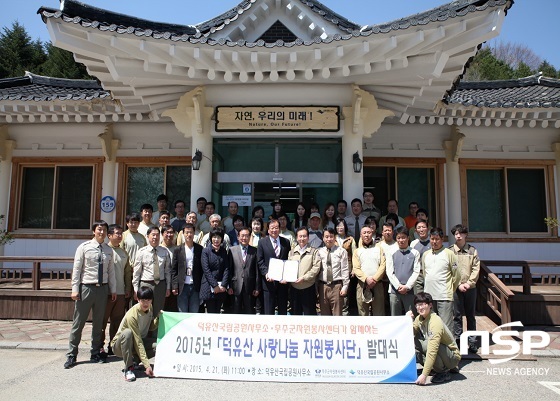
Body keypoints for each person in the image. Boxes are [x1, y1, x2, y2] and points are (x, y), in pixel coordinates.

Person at [64, 220, 116, 369]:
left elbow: (110, 272)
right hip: (86, 288)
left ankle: (94, 353)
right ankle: (72, 354)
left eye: (104, 230)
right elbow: (77, 269)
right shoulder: (84, 247)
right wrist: (75, 289)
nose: (102, 232)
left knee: (98, 324)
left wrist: (113, 289)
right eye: (99, 229)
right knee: (78, 323)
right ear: (94, 231)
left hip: (102, 289)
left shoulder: (108, 250)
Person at [408, 292, 461, 385]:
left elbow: (433, 349)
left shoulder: (435, 321)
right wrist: (407, 320)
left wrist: (424, 375)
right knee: (415, 341)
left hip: (452, 356)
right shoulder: (419, 318)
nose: (419, 308)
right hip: (440, 351)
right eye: (417, 305)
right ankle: (435, 368)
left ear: (430, 305)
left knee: (430, 346)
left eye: (422, 304)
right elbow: (409, 334)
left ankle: (443, 371)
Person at [111, 286, 159, 382]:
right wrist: (147, 365)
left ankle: (135, 362)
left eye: (149, 300)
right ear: (138, 299)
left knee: (158, 345)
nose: (146, 303)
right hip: (119, 346)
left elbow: (150, 327)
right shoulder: (132, 315)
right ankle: (128, 369)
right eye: (143, 300)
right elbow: (138, 341)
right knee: (128, 333)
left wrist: (158, 319)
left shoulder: (150, 308)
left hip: (136, 343)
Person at [422, 227, 461, 332]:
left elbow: (456, 275)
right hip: (429, 296)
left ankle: (449, 348)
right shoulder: (425, 255)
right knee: (431, 325)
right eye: (432, 239)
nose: (434, 242)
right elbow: (425, 273)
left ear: (442, 239)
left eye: (437, 239)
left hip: (444, 295)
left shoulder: (449, 254)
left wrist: (450, 289)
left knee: (446, 326)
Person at [102, 224, 132, 355]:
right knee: (102, 321)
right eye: (117, 233)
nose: (120, 236)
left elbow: (127, 272)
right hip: (106, 292)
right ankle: (99, 347)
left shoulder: (123, 252)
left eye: (121, 234)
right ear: (109, 235)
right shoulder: (104, 250)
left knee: (117, 321)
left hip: (120, 292)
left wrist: (127, 288)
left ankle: (113, 346)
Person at [450, 224, 480, 353]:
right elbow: (449, 270)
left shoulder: (472, 250)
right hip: (456, 288)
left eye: (461, 233)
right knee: (456, 316)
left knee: (470, 315)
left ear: (465, 235)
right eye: (456, 233)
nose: (458, 235)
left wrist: (469, 283)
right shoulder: (450, 251)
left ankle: (472, 342)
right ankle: (458, 341)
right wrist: (458, 284)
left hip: (470, 288)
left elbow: (476, 268)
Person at [132, 226, 171, 318]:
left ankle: (155, 332)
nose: (155, 237)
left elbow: (167, 271)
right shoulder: (141, 252)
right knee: (144, 312)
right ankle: (144, 332)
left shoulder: (165, 252)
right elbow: (137, 272)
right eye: (153, 235)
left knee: (158, 312)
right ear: (148, 236)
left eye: (157, 235)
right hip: (146, 284)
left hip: (160, 285)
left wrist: (168, 287)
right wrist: (135, 289)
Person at [257, 219, 290, 315]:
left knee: (283, 309)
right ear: (268, 230)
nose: (274, 230)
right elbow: (260, 260)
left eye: (276, 228)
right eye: (272, 228)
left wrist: (287, 276)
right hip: (268, 281)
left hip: (282, 282)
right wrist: (266, 273)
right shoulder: (262, 242)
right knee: (268, 310)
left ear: (279, 229)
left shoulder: (286, 242)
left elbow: (288, 260)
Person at [386, 226, 420, 316]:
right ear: (396, 239)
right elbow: (389, 272)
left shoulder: (415, 253)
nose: (401, 240)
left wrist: (407, 286)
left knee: (411, 316)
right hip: (394, 291)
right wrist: (398, 286)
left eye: (403, 237)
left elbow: (416, 271)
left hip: (410, 291)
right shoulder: (391, 252)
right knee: (395, 317)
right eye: (399, 238)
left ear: (408, 238)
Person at [353, 225, 386, 316]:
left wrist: (374, 279)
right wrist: (366, 279)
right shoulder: (357, 251)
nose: (366, 235)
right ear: (361, 235)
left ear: (373, 234)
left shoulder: (379, 249)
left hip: (377, 284)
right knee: (363, 312)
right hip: (362, 284)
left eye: (369, 232)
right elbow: (356, 268)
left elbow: (383, 265)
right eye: (364, 233)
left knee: (379, 313)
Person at [289, 227, 321, 315]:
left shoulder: (314, 251)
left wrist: (304, 278)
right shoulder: (291, 252)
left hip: (308, 288)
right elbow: (288, 268)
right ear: (296, 238)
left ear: (308, 237)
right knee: (296, 315)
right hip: (294, 288)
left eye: (304, 236)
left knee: (309, 315)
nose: (302, 239)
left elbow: (316, 268)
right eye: (300, 236)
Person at [172, 223, 203, 313]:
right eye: (186, 232)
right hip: (182, 286)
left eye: (191, 232)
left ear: (194, 234)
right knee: (182, 313)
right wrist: (174, 285)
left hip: (195, 286)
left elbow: (202, 269)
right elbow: (174, 269)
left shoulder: (200, 249)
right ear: (183, 234)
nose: (189, 235)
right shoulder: (178, 249)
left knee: (194, 312)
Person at [318, 227, 349, 316]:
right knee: (325, 315)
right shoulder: (319, 251)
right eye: (326, 237)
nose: (329, 239)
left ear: (335, 237)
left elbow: (345, 269)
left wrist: (345, 286)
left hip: (336, 286)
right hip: (323, 286)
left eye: (331, 236)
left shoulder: (341, 251)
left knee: (337, 315)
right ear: (323, 238)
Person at [228, 227, 260, 314]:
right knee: (235, 310)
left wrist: (257, 288)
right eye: (242, 236)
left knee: (249, 310)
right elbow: (230, 269)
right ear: (238, 237)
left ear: (250, 237)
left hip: (249, 285)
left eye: (246, 236)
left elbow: (257, 271)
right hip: (235, 286)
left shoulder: (255, 251)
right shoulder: (232, 250)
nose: (244, 238)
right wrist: (229, 286)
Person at [200, 228, 230, 313]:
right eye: (214, 237)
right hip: (209, 287)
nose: (216, 240)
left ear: (222, 239)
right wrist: (214, 285)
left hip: (221, 288)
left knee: (218, 312)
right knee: (211, 312)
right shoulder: (205, 251)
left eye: (219, 237)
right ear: (211, 238)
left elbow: (226, 268)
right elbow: (206, 270)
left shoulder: (224, 251)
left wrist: (224, 285)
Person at [336, 218, 357, 316]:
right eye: (338, 225)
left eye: (342, 225)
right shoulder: (332, 238)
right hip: (335, 269)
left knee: (345, 293)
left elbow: (355, 254)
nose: (340, 228)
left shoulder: (350, 239)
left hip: (347, 269)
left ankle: (345, 313)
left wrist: (353, 269)